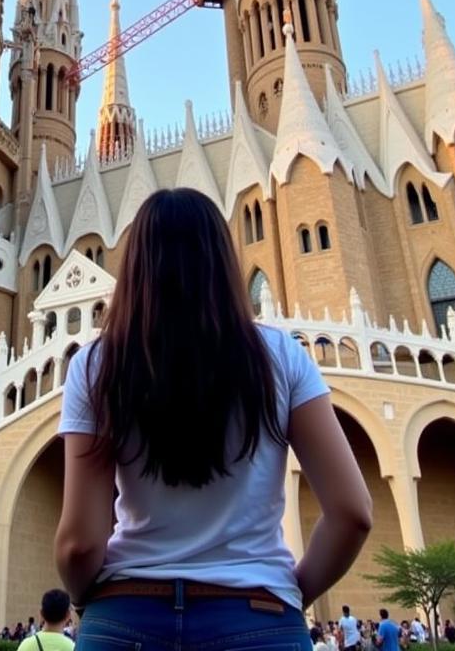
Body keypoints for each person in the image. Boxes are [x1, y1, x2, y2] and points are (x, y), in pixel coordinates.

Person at [54, 189, 373, 651]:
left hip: (126, 614)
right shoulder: (282, 356)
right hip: (259, 614)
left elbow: (80, 544)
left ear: (136, 267)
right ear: (224, 262)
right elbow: (352, 513)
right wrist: (284, 593)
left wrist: (90, 601)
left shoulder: (95, 365)